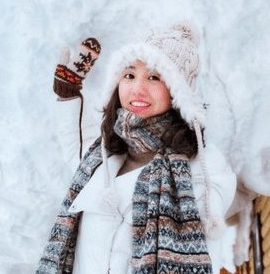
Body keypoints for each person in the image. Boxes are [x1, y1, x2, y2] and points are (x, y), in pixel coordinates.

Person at [37, 23, 236, 274]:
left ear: (178, 91)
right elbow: (73, 144)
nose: (137, 89)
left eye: (154, 77)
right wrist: (68, 95)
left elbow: (197, 253)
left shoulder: (201, 169)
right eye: (129, 75)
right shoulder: (102, 155)